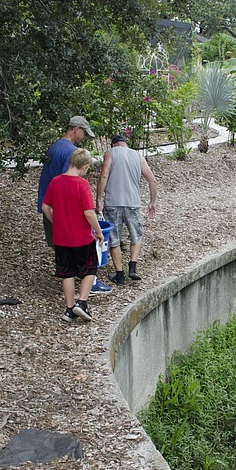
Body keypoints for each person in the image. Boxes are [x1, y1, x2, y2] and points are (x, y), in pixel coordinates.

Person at [36, 115, 112, 294]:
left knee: (62, 252)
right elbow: (69, 183)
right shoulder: (71, 152)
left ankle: (70, 285)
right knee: (82, 250)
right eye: (84, 133)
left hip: (51, 206)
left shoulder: (55, 146)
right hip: (66, 211)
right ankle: (89, 284)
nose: (83, 137)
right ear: (75, 129)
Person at [42, 148, 105, 322]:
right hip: (81, 238)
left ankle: (69, 309)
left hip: (61, 238)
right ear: (84, 166)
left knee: (67, 272)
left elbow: (45, 207)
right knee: (90, 269)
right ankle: (82, 303)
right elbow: (89, 213)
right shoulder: (82, 184)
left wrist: (56, 221)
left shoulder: (55, 182)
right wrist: (98, 232)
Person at [96, 134, 158, 285]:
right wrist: (152, 202)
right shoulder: (137, 156)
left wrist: (98, 199)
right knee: (136, 235)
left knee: (114, 238)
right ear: (125, 144)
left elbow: (104, 176)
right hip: (133, 203)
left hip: (113, 203)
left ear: (114, 145)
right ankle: (133, 266)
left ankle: (119, 275)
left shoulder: (111, 153)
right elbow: (152, 179)